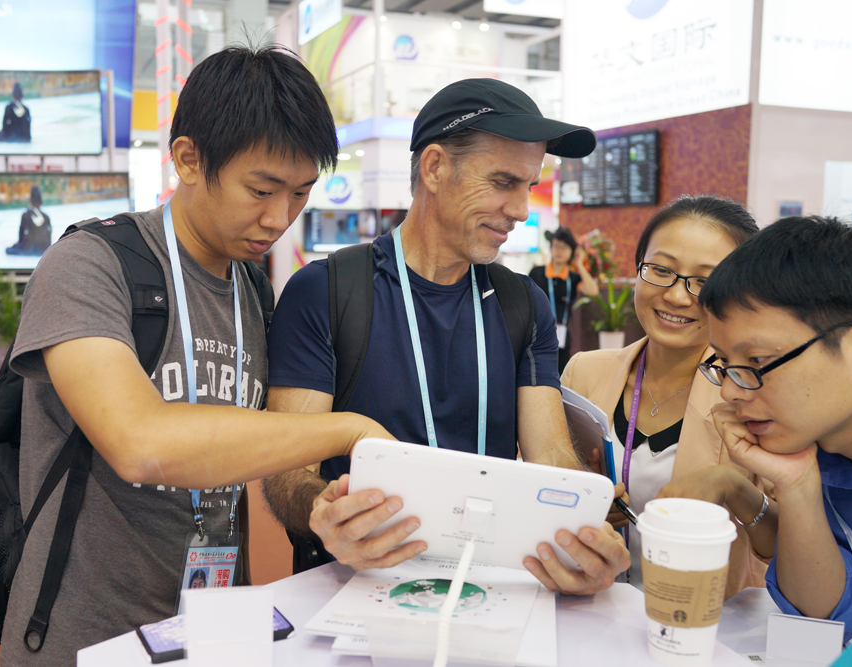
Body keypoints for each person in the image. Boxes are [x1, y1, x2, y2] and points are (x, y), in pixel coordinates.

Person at [0, 46, 392, 666]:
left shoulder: (253, 290)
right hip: (88, 638)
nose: (279, 218)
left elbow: (258, 453)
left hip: (215, 631)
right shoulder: (89, 266)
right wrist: (349, 429)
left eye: (300, 194)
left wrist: (322, 504)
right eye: (260, 189)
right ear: (188, 159)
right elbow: (138, 441)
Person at [263, 78, 630, 596]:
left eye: (528, 186)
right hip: (352, 588)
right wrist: (321, 508)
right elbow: (286, 468)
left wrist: (587, 527)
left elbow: (550, 455)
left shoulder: (524, 304)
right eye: (503, 182)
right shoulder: (327, 291)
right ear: (434, 168)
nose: (521, 210)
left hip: (486, 588)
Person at [561, 196, 773, 599]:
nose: (677, 297)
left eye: (705, 282)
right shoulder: (583, 373)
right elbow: (539, 490)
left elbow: (786, 543)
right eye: (661, 270)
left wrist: (738, 491)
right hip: (592, 611)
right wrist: (582, 506)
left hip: (708, 618)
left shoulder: (757, 396)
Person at [699, 216, 852, 641]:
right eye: (725, 364)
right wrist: (797, 484)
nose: (729, 390)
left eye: (758, 361)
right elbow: (825, 619)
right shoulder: (824, 446)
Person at [528, 227, 599, 374]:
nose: (559, 251)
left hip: (562, 336)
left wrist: (580, 265)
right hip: (537, 333)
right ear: (551, 248)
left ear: (572, 251)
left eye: (564, 247)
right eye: (556, 246)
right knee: (535, 373)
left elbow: (593, 291)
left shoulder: (573, 278)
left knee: (559, 374)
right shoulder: (537, 272)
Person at [6, 185, 51, 256]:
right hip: (43, 249)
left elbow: (21, 237)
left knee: (9, 250)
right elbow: (49, 239)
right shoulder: (46, 217)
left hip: (29, 249)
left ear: (30, 201)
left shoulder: (25, 215)